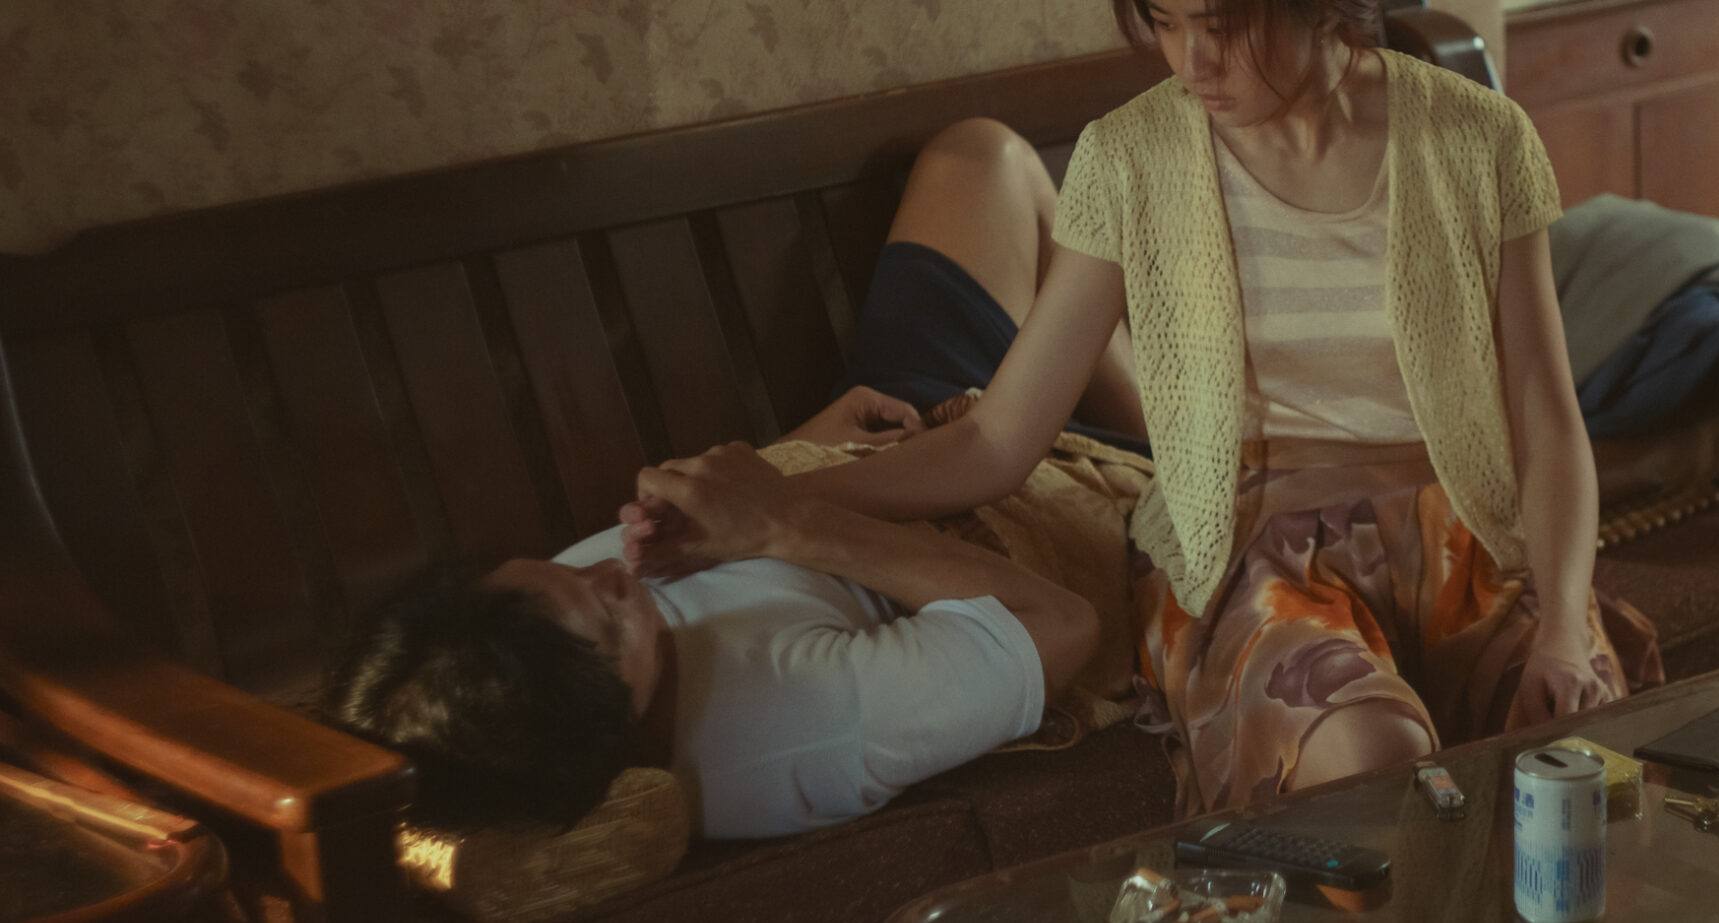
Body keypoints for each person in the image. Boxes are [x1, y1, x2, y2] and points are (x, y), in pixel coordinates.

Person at [627, 0, 1659, 814]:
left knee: (1580, 763)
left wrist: (1564, 627)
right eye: (1166, 24)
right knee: (1372, 761)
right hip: (1258, 552)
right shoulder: (1133, 159)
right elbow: (996, 440)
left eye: (1221, 27)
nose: (1189, 63)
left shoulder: (1477, 139)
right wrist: (774, 503)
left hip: (1468, 537)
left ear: (1318, 0)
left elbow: (1544, 418)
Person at [328, 120, 1123, 838]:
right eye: (611, 622)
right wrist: (788, 522)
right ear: (619, 739)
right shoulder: (808, 728)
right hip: (1029, 509)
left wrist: (802, 450)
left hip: (902, 445)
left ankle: (1115, 397)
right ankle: (1142, 430)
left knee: (980, 157)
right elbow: (1059, 622)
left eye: (552, 572)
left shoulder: (534, 630)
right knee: (1125, 194)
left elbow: (739, 546)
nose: (610, 574)